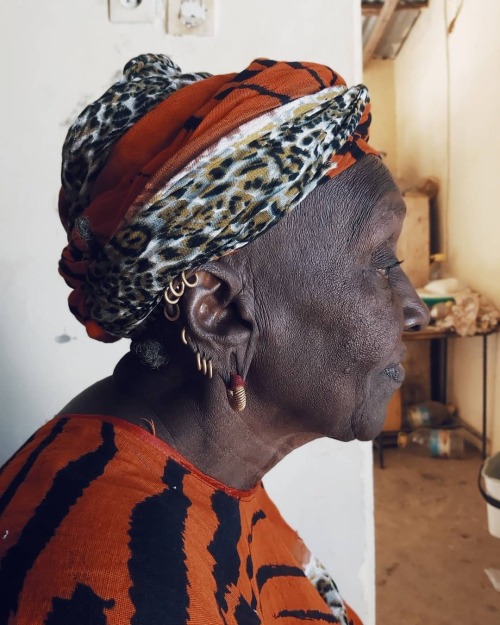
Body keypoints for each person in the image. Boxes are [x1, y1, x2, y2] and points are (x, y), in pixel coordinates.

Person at [0, 55, 429, 625]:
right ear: (220, 313)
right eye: (381, 260)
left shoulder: (193, 474)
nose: (416, 311)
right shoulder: (113, 583)